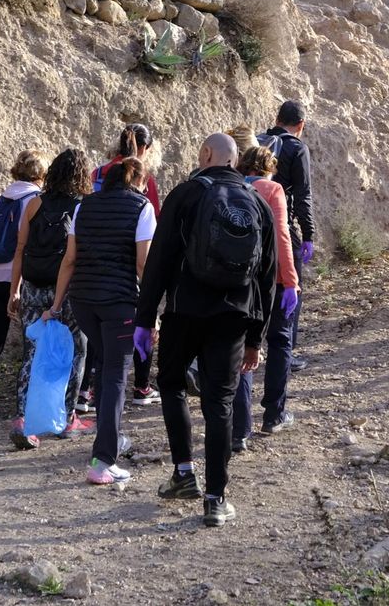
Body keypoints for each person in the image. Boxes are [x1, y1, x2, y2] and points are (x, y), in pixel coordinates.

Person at [139, 133, 277, 527]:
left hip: (184, 311)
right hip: (234, 316)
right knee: (219, 402)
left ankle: (184, 473)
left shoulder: (185, 195)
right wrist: (256, 338)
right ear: (235, 162)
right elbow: (268, 277)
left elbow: (159, 261)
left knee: (171, 385)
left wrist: (145, 318)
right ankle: (216, 499)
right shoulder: (257, 203)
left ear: (205, 155)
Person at [49, 157, 155, 485]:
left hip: (83, 301)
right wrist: (153, 313)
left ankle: (110, 438)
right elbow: (143, 265)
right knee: (114, 376)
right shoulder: (143, 207)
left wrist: (55, 305)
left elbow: (69, 260)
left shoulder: (85, 206)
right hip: (119, 303)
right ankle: (103, 460)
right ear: (137, 179)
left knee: (104, 368)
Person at [6, 149, 93, 450]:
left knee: (33, 350)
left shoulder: (33, 204)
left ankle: (21, 419)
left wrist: (14, 289)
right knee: (76, 350)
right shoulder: (83, 206)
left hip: (32, 286)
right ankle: (66, 419)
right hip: (67, 288)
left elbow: (19, 249)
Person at [231, 143, 301, 452]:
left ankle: (240, 431)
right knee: (280, 340)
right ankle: (273, 413)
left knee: (243, 348)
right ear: (268, 167)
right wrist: (291, 280)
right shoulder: (272, 190)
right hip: (270, 280)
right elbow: (282, 237)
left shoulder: (231, 188)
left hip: (238, 281)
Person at [90, 124, 162, 406]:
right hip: (131, 265)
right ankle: (141, 386)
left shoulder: (97, 172)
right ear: (144, 149)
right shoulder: (144, 178)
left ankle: (89, 391)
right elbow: (154, 220)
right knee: (143, 321)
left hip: (96, 264)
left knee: (99, 332)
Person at [0, 151, 45, 420]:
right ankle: (29, 400)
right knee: (33, 339)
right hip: (17, 279)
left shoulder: (0, 199)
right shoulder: (34, 201)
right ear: (41, 175)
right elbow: (27, 245)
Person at [260, 101, 315, 372]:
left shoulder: (258, 141)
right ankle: (285, 351)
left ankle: (250, 347)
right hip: (282, 225)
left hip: (251, 225)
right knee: (291, 287)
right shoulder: (297, 148)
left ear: (277, 118)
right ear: (300, 126)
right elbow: (303, 195)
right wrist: (308, 235)